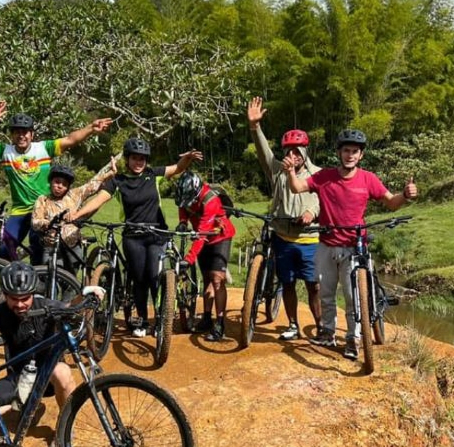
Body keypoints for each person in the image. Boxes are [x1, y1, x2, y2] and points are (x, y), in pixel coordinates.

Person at [284, 129, 417, 360]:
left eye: (355, 151)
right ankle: (327, 332)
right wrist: (289, 172)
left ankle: (353, 338)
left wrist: (405, 195)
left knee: (352, 295)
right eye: (346, 150)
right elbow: (297, 188)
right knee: (325, 293)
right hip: (326, 244)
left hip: (354, 247)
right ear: (339, 152)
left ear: (361, 155)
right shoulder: (324, 176)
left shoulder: (368, 179)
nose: (350, 155)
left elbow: (391, 203)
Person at [66, 138, 202, 338]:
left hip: (157, 234)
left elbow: (177, 169)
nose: (138, 162)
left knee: (154, 277)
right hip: (133, 236)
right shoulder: (118, 181)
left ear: (146, 161)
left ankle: (160, 320)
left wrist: (188, 159)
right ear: (128, 159)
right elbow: (99, 200)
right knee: (138, 279)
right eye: (134, 158)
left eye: (142, 159)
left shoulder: (153, 174)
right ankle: (143, 319)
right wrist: (77, 215)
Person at [0, 100, 112, 263]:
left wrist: (91, 129)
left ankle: (36, 285)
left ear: (32, 134)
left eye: (25, 132)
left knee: (38, 249)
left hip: (44, 209)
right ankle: (14, 282)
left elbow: (71, 139)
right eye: (17, 132)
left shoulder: (44, 148)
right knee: (4, 249)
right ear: (12, 135)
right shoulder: (5, 152)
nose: (21, 136)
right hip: (20, 211)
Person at [0, 261, 104, 414]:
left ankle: (64, 429)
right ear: (5, 295)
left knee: (62, 371)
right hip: (19, 379)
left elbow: (69, 306)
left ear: (32, 293)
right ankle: (22, 405)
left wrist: (84, 294)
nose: (20, 304)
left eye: (25, 298)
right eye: (14, 298)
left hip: (49, 377)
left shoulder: (44, 305)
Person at [246, 96, 321, 341]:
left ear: (304, 152)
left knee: (313, 286)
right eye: (289, 150)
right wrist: (255, 127)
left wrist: (312, 213)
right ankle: (292, 324)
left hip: (309, 239)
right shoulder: (277, 170)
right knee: (287, 283)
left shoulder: (317, 174)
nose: (293, 155)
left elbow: (321, 200)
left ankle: (321, 327)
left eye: (297, 151)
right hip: (282, 236)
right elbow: (263, 152)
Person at [174, 171, 236, 342]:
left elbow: (202, 234)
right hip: (203, 237)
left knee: (217, 279)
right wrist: (182, 222)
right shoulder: (186, 194)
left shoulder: (210, 201)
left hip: (219, 237)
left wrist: (189, 259)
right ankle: (207, 318)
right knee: (207, 279)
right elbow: (183, 207)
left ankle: (220, 323)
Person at [30, 160, 117, 275]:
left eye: (64, 184)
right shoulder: (43, 200)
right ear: (50, 182)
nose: (60, 186)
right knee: (50, 278)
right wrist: (49, 222)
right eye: (57, 182)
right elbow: (35, 222)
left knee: (70, 282)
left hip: (73, 247)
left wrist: (108, 174)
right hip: (51, 247)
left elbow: (92, 184)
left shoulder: (74, 195)